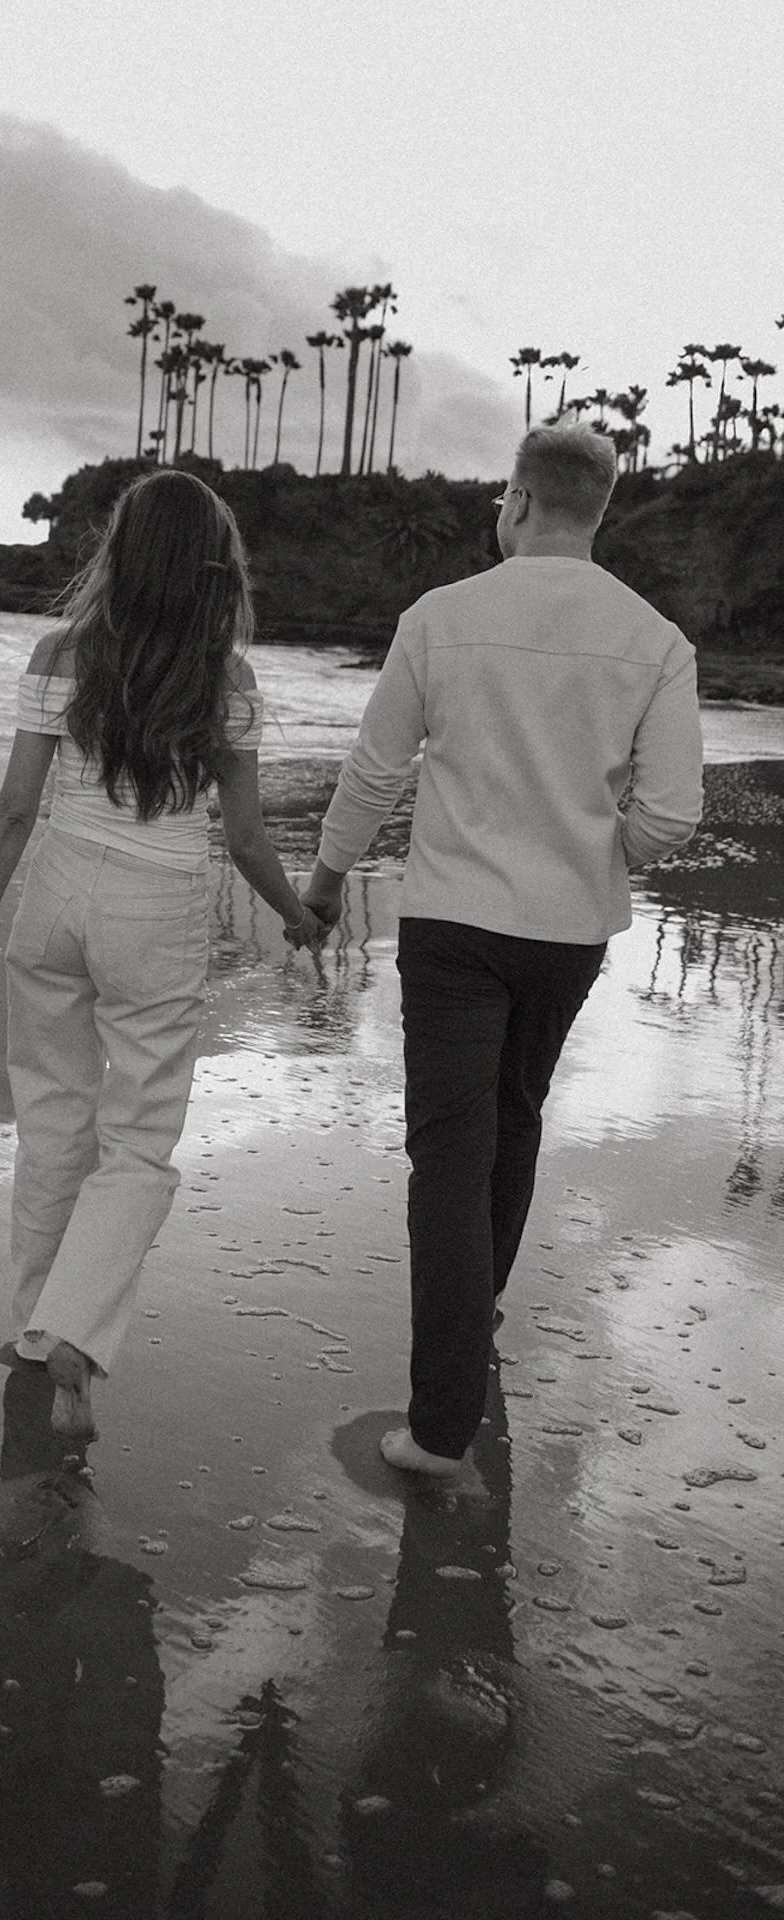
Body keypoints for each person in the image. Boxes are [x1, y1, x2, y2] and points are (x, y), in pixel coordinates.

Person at [300, 423, 704, 1475]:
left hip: (453, 924)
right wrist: (592, 852)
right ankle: (471, 1329)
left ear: (519, 501)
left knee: (447, 1150)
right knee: (512, 1119)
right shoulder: (654, 639)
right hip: (565, 933)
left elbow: (376, 769)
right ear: (598, 510)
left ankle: (438, 1427)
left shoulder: (442, 617)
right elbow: (671, 815)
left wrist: (325, 877)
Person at [0, 468, 322, 1440]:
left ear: (120, 551)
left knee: (52, 1117)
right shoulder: (225, 679)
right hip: (156, 913)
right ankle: (75, 1323)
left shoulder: (58, 652)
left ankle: (37, 1326)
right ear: (211, 568)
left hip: (56, 899)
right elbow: (243, 840)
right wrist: (296, 915)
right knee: (139, 1140)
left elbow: (16, 807)